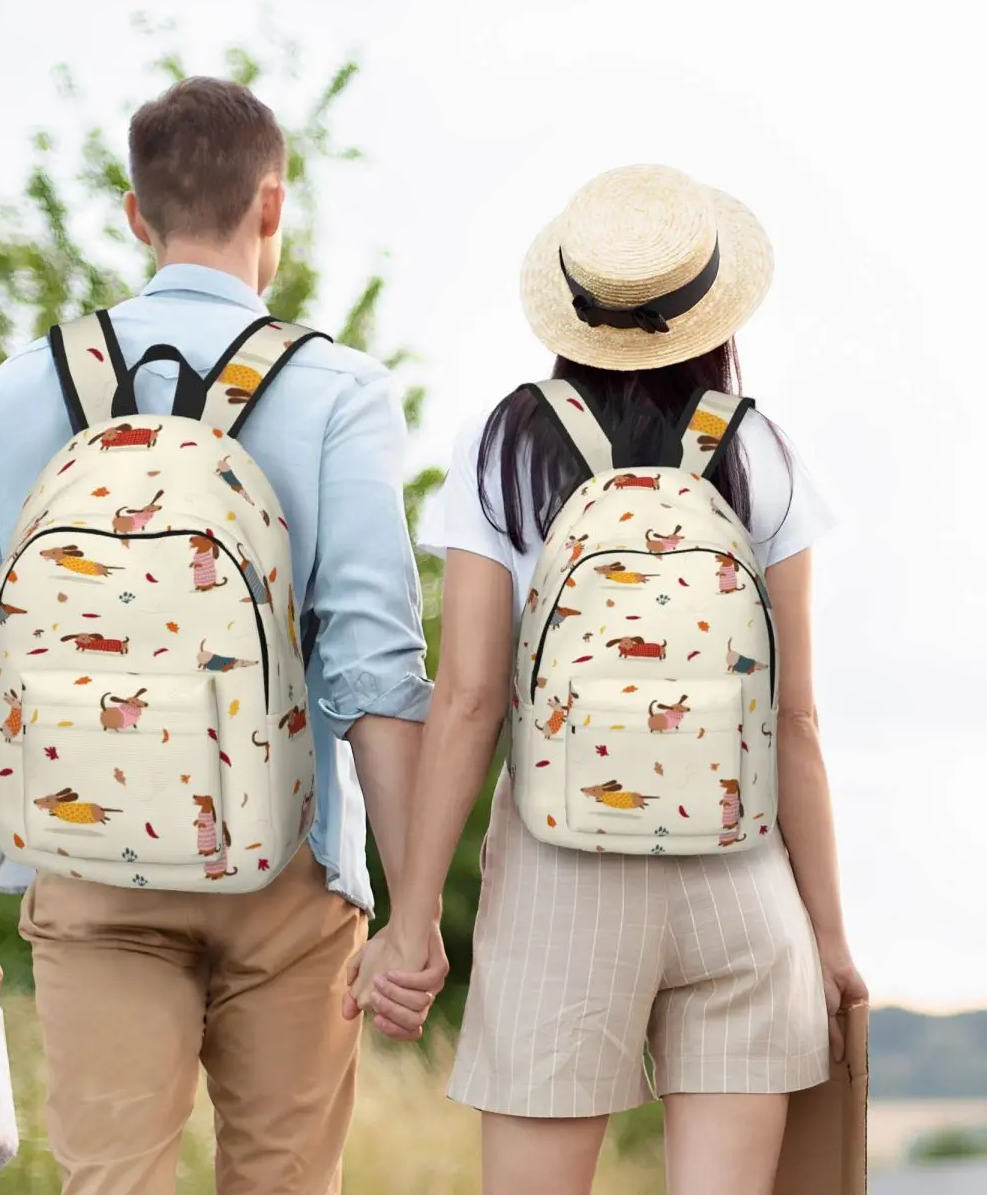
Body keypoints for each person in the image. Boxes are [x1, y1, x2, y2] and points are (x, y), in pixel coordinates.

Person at [0, 76, 447, 1195]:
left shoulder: (23, 389)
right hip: (288, 869)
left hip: (87, 863)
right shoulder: (337, 390)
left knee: (112, 1181)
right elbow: (376, 674)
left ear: (136, 215)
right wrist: (413, 910)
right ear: (273, 208)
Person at [346, 164, 868, 1195]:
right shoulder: (761, 450)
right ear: (711, 308)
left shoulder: (503, 445)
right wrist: (830, 938)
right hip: (741, 879)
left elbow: (467, 700)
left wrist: (410, 923)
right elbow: (796, 718)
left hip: (560, 879)